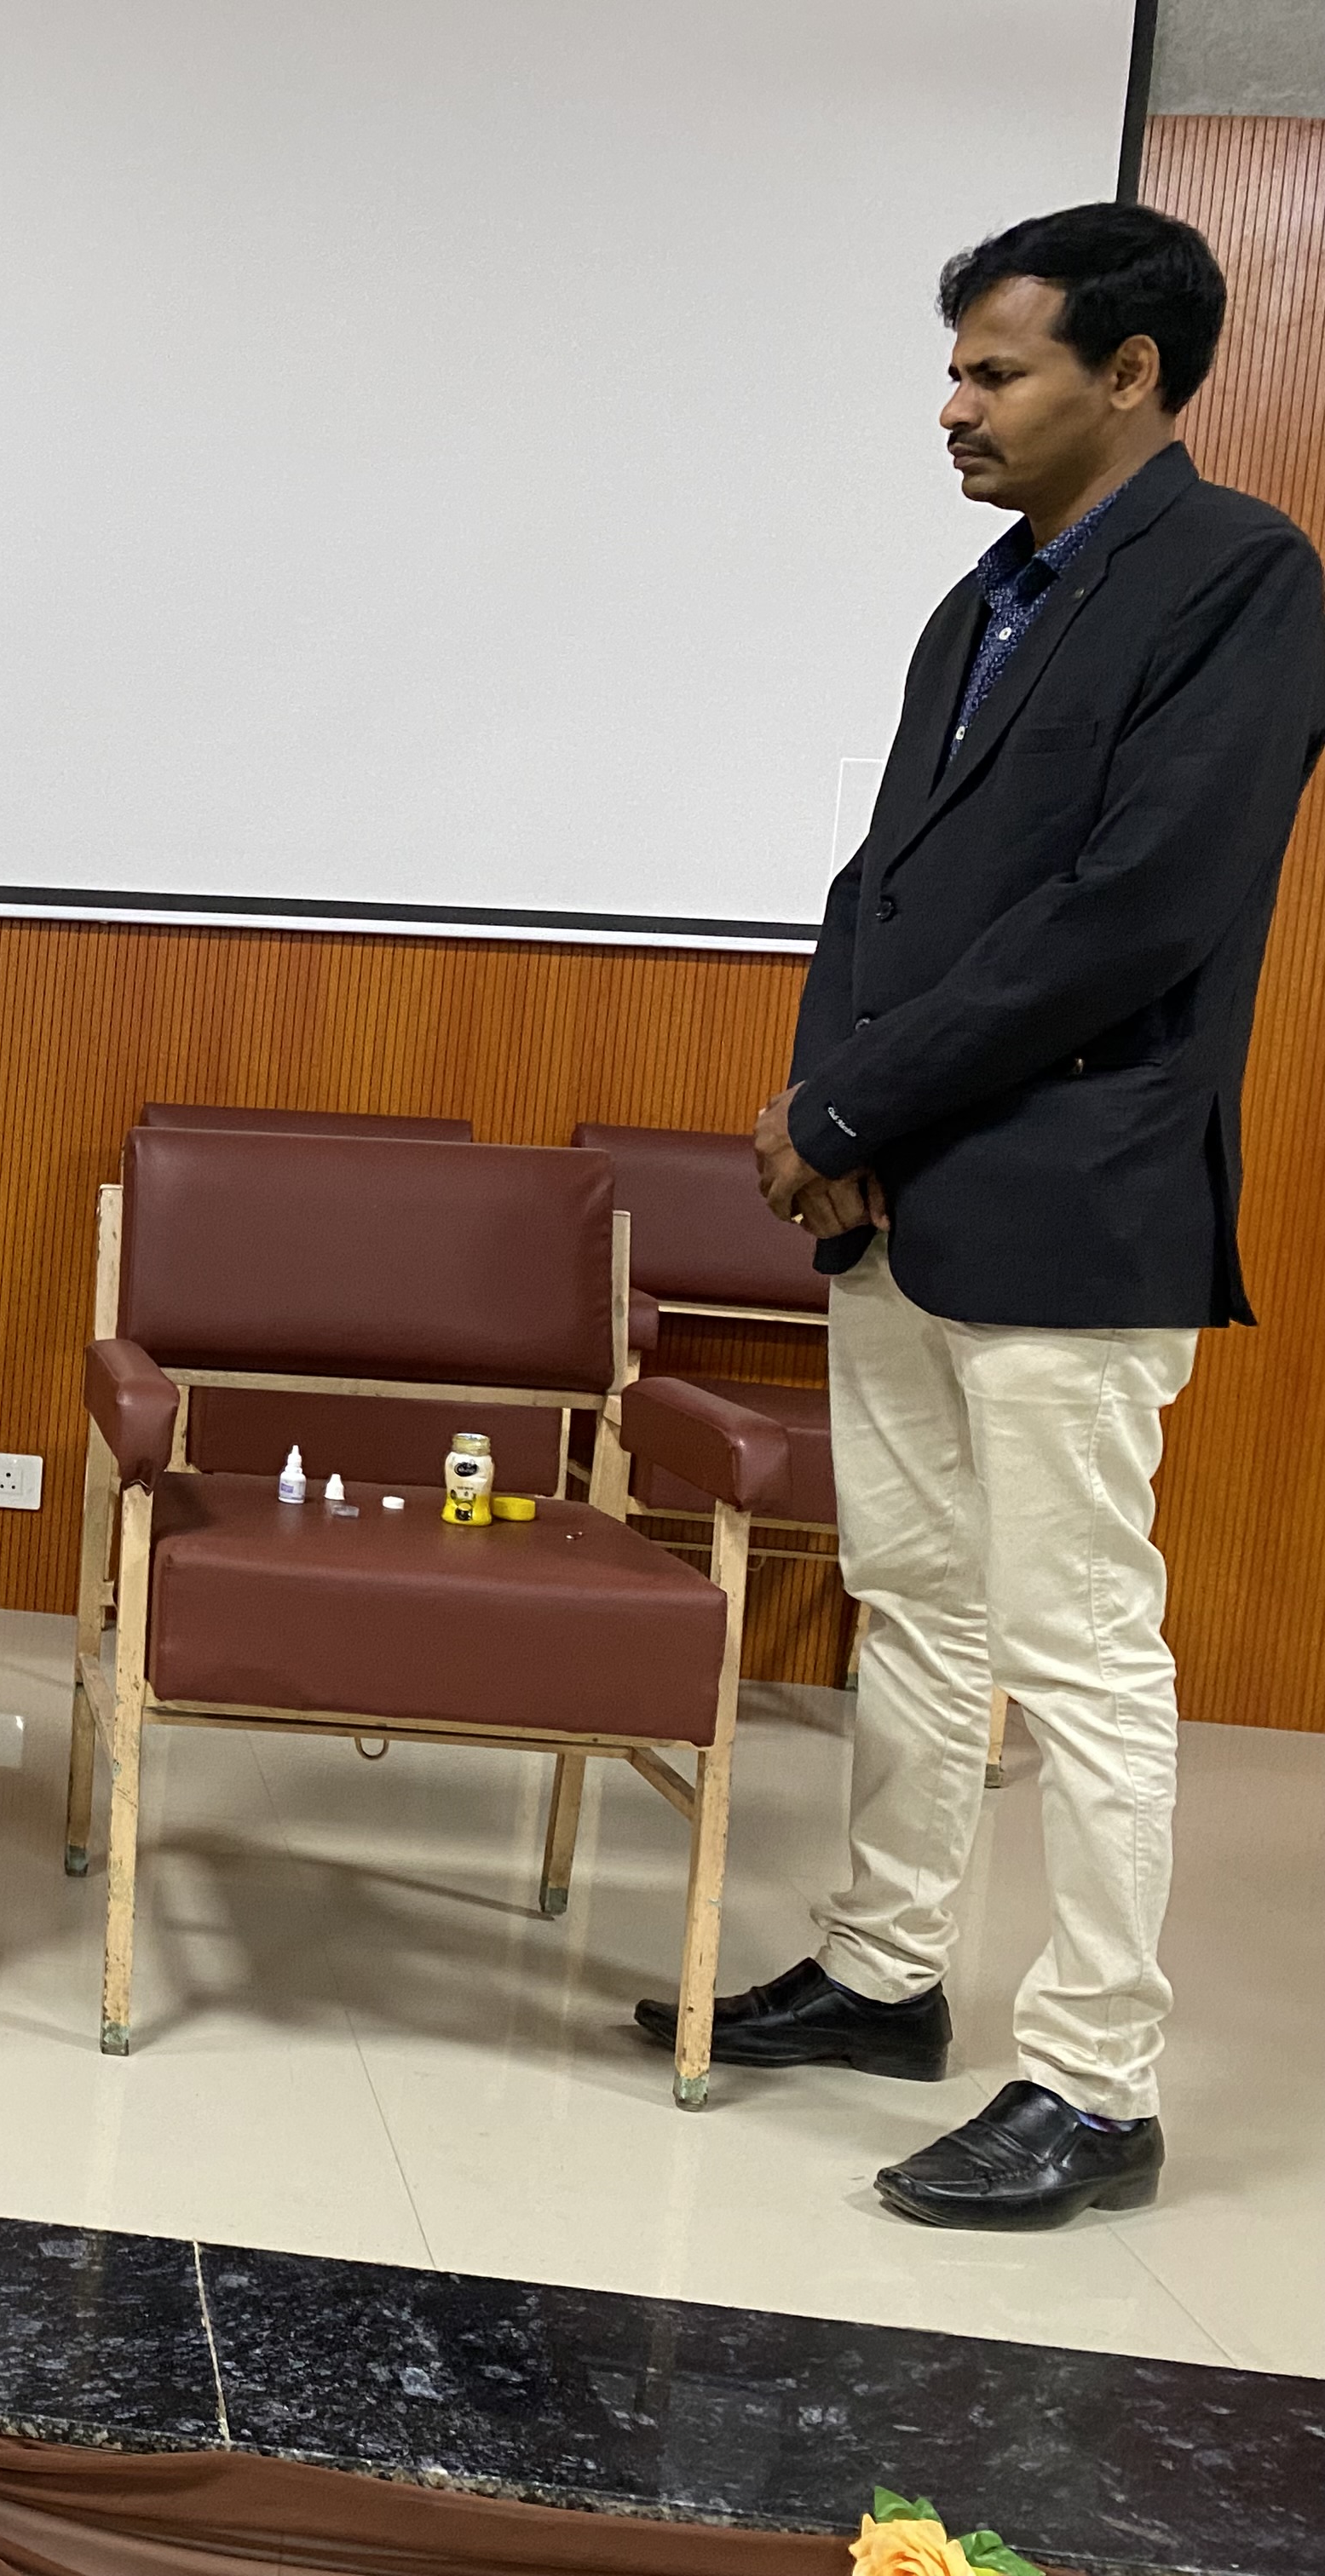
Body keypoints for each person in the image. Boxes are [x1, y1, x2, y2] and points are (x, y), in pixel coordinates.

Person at [643, 205, 1325, 2225]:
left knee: (1078, 1648)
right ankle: (885, 1973)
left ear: (1131, 372)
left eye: (994, 371)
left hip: (1072, 1202)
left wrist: (862, 1100)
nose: (954, 406)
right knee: (920, 1607)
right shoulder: (981, 603)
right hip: (905, 1194)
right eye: (953, 369)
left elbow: (1139, 908)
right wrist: (822, 1109)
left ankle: (1098, 2084)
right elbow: (882, 887)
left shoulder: (1243, 577)